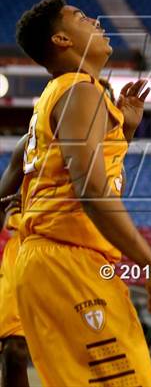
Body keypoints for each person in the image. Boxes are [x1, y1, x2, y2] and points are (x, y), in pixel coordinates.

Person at [14, 0, 151, 386]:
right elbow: (90, 187)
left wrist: (123, 132)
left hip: (49, 261)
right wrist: (150, 261)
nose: (96, 19)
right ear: (62, 38)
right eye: (81, 17)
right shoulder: (81, 92)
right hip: (67, 261)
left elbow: (22, 168)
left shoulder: (58, 94)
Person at [0, 136, 29, 387]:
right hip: (23, 248)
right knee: (14, 351)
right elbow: (1, 205)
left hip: (77, 251)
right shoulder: (29, 144)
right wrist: (7, 210)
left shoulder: (103, 147)